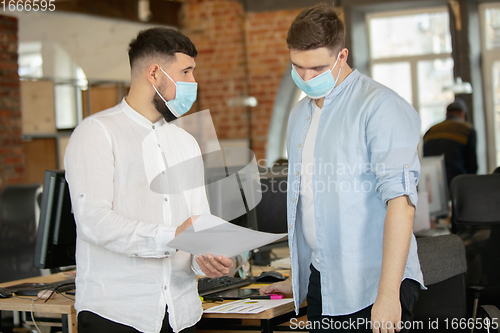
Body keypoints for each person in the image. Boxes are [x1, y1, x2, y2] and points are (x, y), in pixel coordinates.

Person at [260, 4, 424, 333]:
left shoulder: (380, 107)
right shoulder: (299, 115)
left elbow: (401, 204)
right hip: (323, 282)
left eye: (317, 68)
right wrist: (297, 276)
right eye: (298, 67)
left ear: (342, 55)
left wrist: (389, 293)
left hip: (374, 283)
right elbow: (308, 203)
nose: (306, 78)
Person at [64, 28, 233, 333]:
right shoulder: (97, 133)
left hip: (182, 314)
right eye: (186, 72)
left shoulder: (186, 142)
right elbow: (93, 221)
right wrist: (170, 235)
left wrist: (205, 260)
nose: (193, 83)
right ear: (154, 73)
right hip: (118, 314)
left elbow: (197, 225)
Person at [423, 98, 478, 187]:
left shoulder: (431, 130)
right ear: (462, 113)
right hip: (457, 181)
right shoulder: (467, 130)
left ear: (447, 113)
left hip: (432, 182)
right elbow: (472, 165)